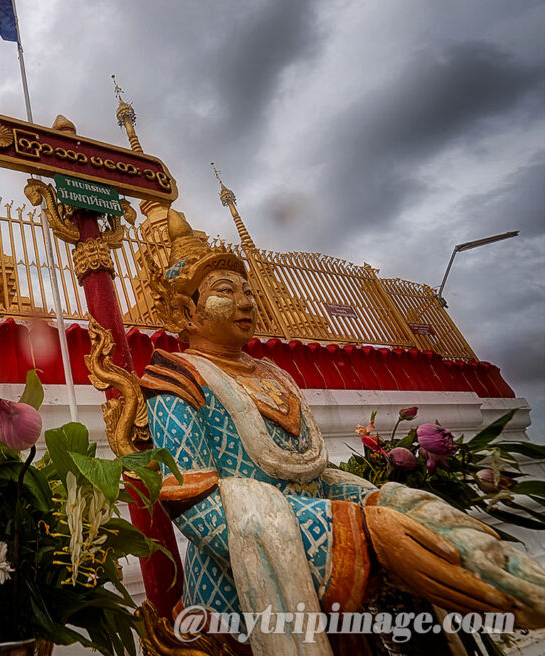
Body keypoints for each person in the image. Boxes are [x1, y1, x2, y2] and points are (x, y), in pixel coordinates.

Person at [138, 210, 544, 656]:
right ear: (184, 311)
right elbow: (193, 501)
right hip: (238, 591)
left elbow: (312, 474)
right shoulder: (175, 379)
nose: (248, 302)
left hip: (336, 582)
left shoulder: (273, 374)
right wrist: (354, 535)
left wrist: (379, 505)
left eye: (249, 291)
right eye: (225, 292)